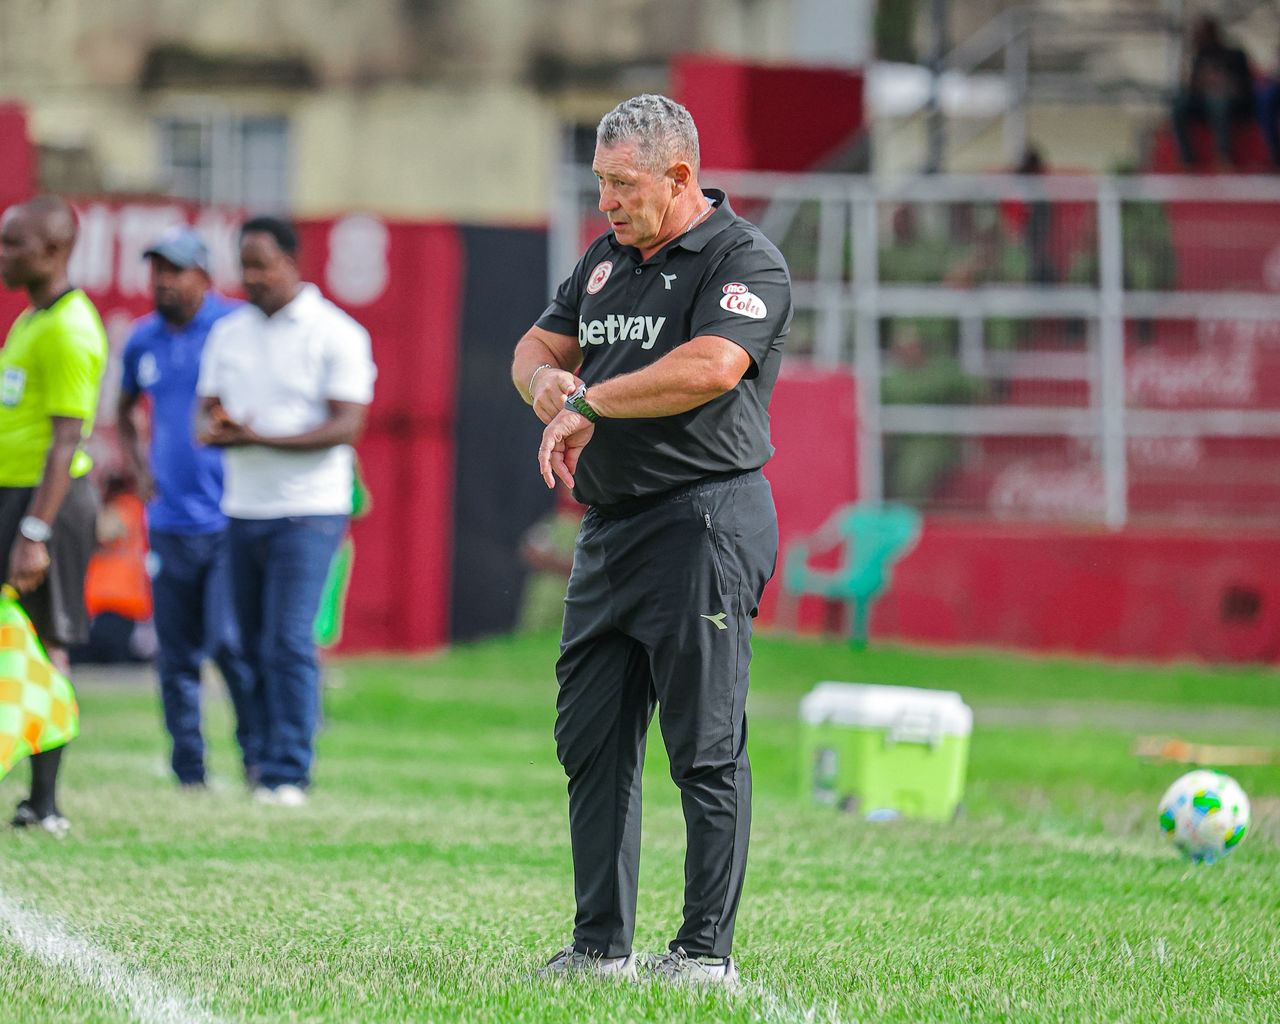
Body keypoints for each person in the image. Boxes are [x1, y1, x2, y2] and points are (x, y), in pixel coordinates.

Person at [511, 94, 792, 986]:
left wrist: (591, 401)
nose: (606, 202)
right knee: (590, 740)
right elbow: (534, 346)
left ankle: (705, 953)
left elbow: (713, 366)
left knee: (704, 746)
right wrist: (545, 384)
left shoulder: (743, 258)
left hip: (703, 520)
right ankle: (600, 947)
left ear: (679, 176)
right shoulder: (603, 261)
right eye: (599, 183)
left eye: (622, 184)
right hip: (610, 529)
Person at [196, 216, 375, 808]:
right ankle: (257, 758)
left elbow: (347, 425)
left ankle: (289, 771)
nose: (250, 276)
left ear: (292, 262)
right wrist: (219, 429)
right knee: (237, 643)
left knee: (289, 640)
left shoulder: (336, 332)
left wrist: (258, 438)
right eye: (243, 265)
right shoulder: (228, 333)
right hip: (242, 507)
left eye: (261, 264)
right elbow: (205, 411)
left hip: (310, 509)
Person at [117, 226, 258, 789]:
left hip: (228, 517)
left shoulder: (234, 328)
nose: (164, 282)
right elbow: (124, 407)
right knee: (175, 654)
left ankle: (257, 759)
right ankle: (188, 769)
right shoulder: (143, 339)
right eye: (158, 271)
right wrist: (138, 469)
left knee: (228, 644)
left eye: (175, 271)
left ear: (203, 276)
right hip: (168, 520)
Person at [0, 195, 108, 836]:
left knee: (46, 644)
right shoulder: (31, 320)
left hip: (48, 505)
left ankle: (45, 803)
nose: (3, 254)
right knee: (15, 642)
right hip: (14, 496)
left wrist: (33, 533)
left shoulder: (70, 328)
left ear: (54, 250)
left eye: (13, 243)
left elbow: (66, 440)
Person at [1171, 15, 1256, 168]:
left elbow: (1244, 86)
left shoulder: (1234, 55)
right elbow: (1192, 88)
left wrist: (1223, 83)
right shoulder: (1200, 57)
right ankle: (1187, 158)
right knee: (1179, 103)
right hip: (1204, 102)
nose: (1197, 37)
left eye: (1200, 33)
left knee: (1217, 102)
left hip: (1232, 103)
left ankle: (1223, 156)